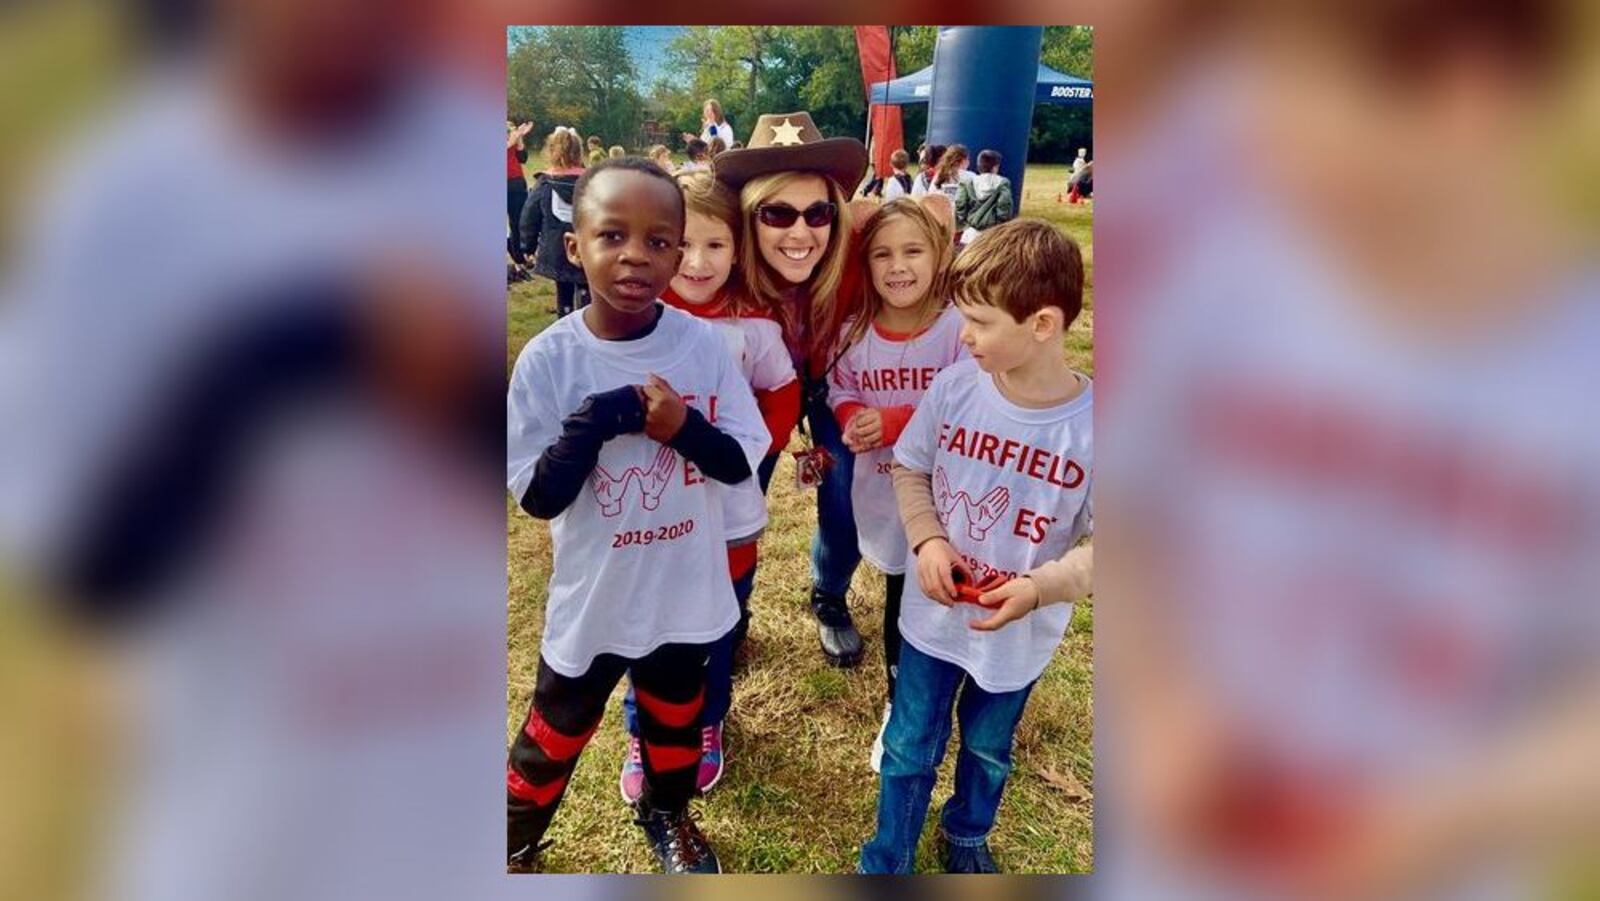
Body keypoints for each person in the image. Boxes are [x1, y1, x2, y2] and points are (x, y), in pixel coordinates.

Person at [505, 158, 769, 874]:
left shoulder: (700, 346)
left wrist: (680, 426)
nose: (635, 255)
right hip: (598, 592)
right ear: (574, 246)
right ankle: (513, 840)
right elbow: (538, 497)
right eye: (612, 234)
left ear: (679, 255)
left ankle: (667, 813)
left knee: (675, 721)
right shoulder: (548, 362)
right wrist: (593, 423)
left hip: (683, 586)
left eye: (659, 241)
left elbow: (738, 457)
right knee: (556, 727)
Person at [860, 219, 1093, 874]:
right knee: (909, 746)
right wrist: (928, 538)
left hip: (1018, 634)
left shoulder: (1095, 427)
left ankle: (966, 832)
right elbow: (909, 468)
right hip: (931, 621)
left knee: (989, 748)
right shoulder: (955, 388)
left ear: (1043, 324)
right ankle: (889, 854)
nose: (963, 336)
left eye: (980, 322)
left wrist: (1041, 587)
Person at [616, 170, 802, 802]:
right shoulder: (633, 319)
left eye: (715, 246)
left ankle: (707, 721)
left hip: (723, 511)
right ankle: (642, 731)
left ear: (738, 248)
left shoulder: (753, 326)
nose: (697, 262)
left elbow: (782, 388)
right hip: (647, 514)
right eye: (683, 244)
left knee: (719, 619)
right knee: (644, 621)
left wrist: (758, 448)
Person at [713, 110, 871, 668]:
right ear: (747, 219)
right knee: (731, 501)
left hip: (834, 389)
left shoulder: (856, 251)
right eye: (777, 213)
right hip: (753, 403)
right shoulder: (719, 269)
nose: (801, 233)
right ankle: (729, 614)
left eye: (818, 212)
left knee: (847, 492)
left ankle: (829, 594)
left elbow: (922, 229)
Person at [829, 199, 967, 772]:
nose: (898, 266)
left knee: (941, 604)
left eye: (913, 250)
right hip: (884, 495)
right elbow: (839, 388)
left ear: (939, 257)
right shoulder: (854, 332)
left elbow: (971, 401)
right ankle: (900, 702)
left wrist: (895, 420)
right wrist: (852, 414)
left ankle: (942, 698)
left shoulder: (961, 328)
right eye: (882, 253)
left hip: (953, 500)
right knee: (898, 602)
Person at [518, 126, 590, 317]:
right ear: (579, 152)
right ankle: (587, 321)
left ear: (551, 152)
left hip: (556, 248)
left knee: (563, 290)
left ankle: (565, 320)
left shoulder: (545, 183)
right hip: (588, 246)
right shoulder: (593, 182)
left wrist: (527, 246)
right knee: (586, 288)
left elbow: (529, 217)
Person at [955, 149, 1015, 246]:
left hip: (970, 234)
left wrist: (963, 221)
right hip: (993, 235)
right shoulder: (1003, 183)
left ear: (978, 165)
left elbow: (960, 203)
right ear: (995, 167)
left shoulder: (967, 183)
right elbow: (1004, 206)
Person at [507, 120, 536, 277]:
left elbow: (523, 158)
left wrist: (519, 139)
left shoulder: (512, 140)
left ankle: (520, 259)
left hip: (516, 183)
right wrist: (514, 137)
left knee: (518, 222)